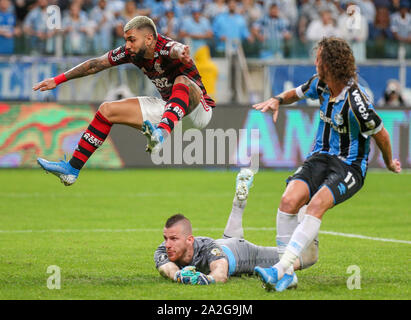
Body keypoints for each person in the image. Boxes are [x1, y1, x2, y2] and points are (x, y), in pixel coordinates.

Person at [252, 37, 401, 292]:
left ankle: (279, 269)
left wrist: (388, 162)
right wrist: (277, 99)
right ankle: (288, 275)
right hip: (320, 157)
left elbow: (382, 135)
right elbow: (295, 94)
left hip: (349, 166)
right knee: (288, 201)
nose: (315, 61)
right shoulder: (319, 84)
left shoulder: (357, 102)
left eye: (318, 57)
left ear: (328, 64)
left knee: (317, 204)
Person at [33, 15, 215, 186]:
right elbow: (95, 64)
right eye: (126, 39)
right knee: (106, 111)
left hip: (197, 108)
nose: (127, 45)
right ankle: (72, 169)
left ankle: (160, 135)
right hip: (169, 110)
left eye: (132, 39)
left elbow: (174, 48)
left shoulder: (165, 47)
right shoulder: (130, 52)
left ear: (149, 39)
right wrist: (56, 80)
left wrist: (180, 51)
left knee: (181, 80)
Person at [154, 169, 319, 286]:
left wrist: (206, 280)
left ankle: (305, 196)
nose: (168, 244)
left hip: (243, 254)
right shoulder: (164, 250)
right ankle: (238, 203)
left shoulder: (207, 247)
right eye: (166, 238)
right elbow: (166, 269)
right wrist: (178, 275)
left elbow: (220, 273)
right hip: (226, 243)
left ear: (190, 240)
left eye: (174, 239)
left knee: (308, 257)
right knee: (230, 240)